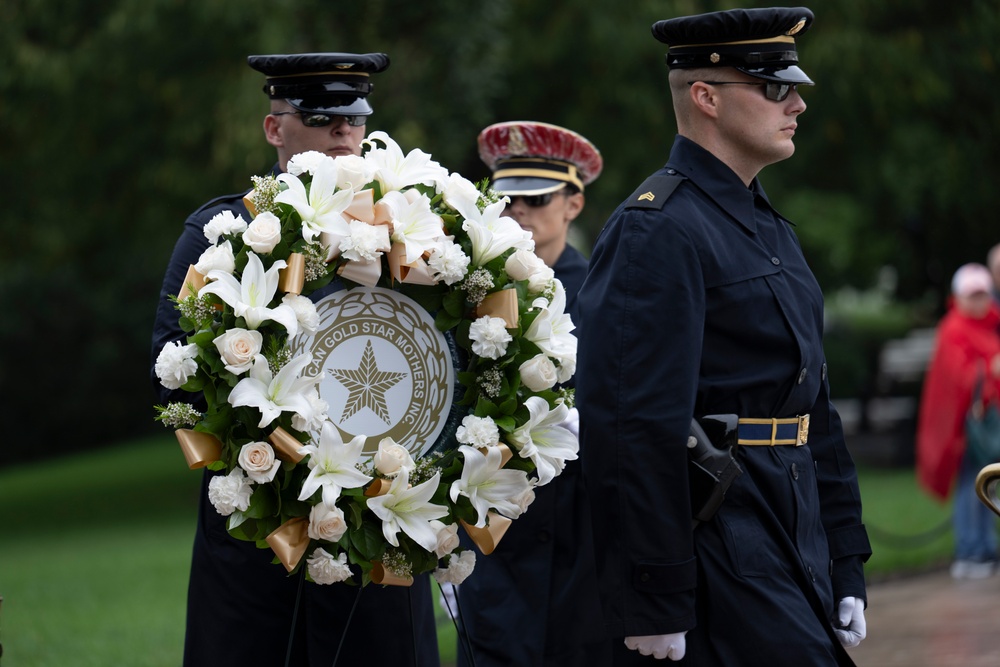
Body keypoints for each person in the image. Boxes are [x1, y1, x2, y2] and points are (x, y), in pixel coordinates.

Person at [576, 7, 871, 664]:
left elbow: (810, 406)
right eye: (773, 86)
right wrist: (653, 593)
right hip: (718, 535)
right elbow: (629, 423)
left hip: (790, 527)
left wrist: (847, 554)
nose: (795, 101)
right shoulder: (657, 229)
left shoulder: (769, 229)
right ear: (706, 97)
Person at [150, 52, 440, 667]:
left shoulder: (422, 239)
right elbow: (173, 368)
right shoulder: (222, 232)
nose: (343, 131)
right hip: (261, 539)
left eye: (354, 117)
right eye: (319, 116)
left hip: (377, 530)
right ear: (274, 128)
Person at [447, 121, 610, 666]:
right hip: (498, 538)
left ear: (574, 203)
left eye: (536, 197)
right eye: (505, 196)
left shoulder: (606, 294)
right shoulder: (465, 295)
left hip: (583, 537)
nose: (518, 209)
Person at [916, 262, 1000, 579]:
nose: (980, 301)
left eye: (983, 294)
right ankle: (970, 550)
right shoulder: (954, 328)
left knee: (985, 483)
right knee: (971, 484)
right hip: (966, 426)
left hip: (984, 421)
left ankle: (984, 547)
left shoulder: (987, 326)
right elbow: (957, 378)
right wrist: (989, 370)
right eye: (973, 295)